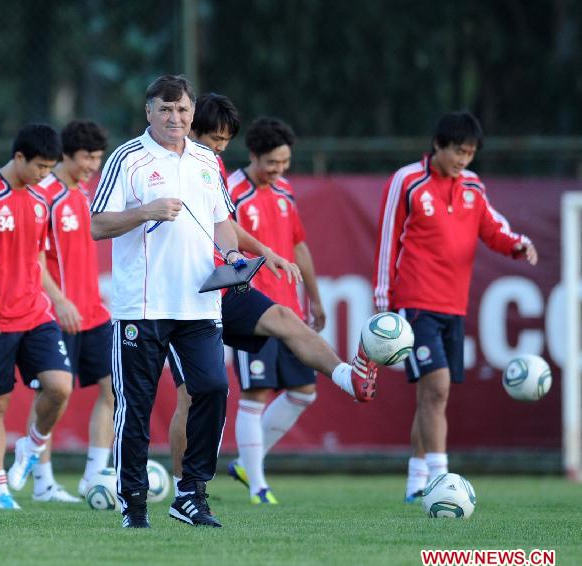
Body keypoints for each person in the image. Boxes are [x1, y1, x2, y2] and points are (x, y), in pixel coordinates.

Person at [170, 116, 378, 505]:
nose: (280, 170)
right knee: (204, 395)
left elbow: (294, 244)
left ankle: (347, 378)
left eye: (285, 162)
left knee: (301, 386)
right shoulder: (218, 180)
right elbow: (216, 228)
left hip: (260, 295)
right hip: (203, 293)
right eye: (273, 162)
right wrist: (253, 255)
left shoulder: (278, 189)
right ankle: (208, 485)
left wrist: (310, 293)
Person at [90, 74, 239, 529]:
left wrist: (232, 256)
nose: (175, 118)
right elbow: (98, 224)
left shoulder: (206, 161)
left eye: (182, 110)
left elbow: (223, 220)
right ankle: (133, 504)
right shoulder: (128, 158)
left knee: (212, 388)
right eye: (165, 109)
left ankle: (191, 492)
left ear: (193, 113)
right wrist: (145, 211)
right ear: (149, 112)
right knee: (135, 405)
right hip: (143, 306)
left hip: (199, 305)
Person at [372, 111, 538, 502]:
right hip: (416, 303)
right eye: (458, 151)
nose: (464, 160)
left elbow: (494, 228)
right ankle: (443, 482)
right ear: (438, 146)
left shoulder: (473, 187)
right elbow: (387, 242)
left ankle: (416, 482)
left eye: (470, 153)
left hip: (454, 306)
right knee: (437, 388)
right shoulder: (408, 181)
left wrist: (517, 244)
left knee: (431, 395)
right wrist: (385, 303)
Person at [0, 123, 74, 510]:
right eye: (40, 166)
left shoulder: (41, 200)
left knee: (60, 387)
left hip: (35, 312)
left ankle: (32, 445)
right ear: (19, 157)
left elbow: (38, 257)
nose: (45, 174)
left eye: (50, 167)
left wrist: (56, 298)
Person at [34, 120, 113, 500]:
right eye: (87, 158)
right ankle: (43, 481)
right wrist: (59, 299)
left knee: (113, 388)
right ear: (66, 155)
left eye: (98, 158)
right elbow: (30, 258)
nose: (93, 166)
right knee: (53, 396)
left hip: (93, 312)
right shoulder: (43, 194)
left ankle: (95, 476)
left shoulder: (86, 194)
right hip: (55, 313)